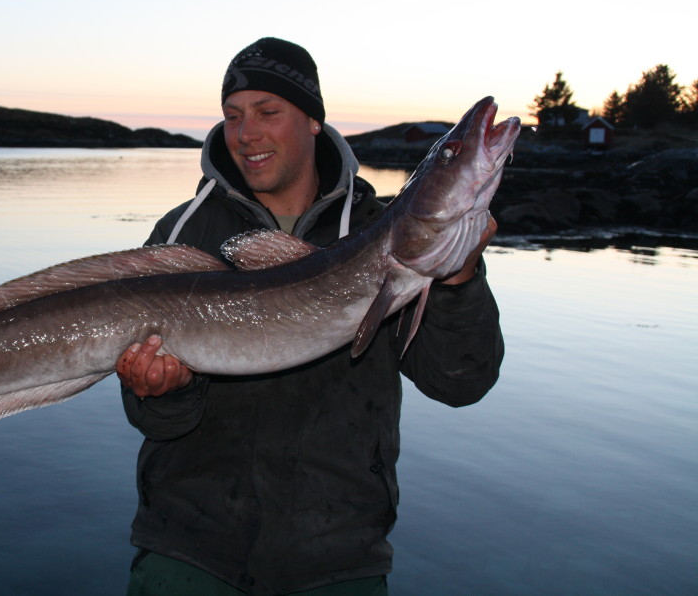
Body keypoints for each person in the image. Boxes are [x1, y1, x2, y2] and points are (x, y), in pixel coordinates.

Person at [116, 37, 503, 596]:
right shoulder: (183, 235)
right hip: (188, 551)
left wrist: (459, 276)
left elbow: (461, 383)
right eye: (233, 116)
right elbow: (150, 419)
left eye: (268, 112)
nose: (246, 133)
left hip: (336, 556)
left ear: (314, 122)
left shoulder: (377, 235)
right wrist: (163, 391)